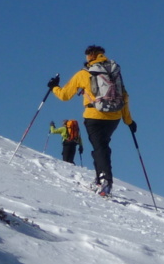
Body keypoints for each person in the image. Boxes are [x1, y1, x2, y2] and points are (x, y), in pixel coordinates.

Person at [47, 45, 135, 196]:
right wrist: (129, 121)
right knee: (102, 146)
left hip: (94, 115)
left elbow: (64, 95)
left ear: (90, 56)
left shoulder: (84, 74)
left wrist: (54, 87)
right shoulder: (114, 72)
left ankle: (105, 180)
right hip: (114, 116)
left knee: (99, 147)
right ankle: (100, 179)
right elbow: (124, 96)